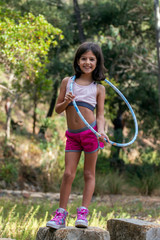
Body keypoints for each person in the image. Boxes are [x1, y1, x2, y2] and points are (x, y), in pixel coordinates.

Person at [46, 42, 110, 229]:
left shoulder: (99, 88)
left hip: (91, 134)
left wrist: (102, 131)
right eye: (84, 58)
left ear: (97, 63)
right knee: (68, 174)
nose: (87, 62)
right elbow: (58, 109)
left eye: (92, 59)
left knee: (89, 174)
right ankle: (61, 215)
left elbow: (100, 115)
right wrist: (66, 101)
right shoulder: (68, 82)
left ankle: (82, 213)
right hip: (72, 136)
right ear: (77, 60)